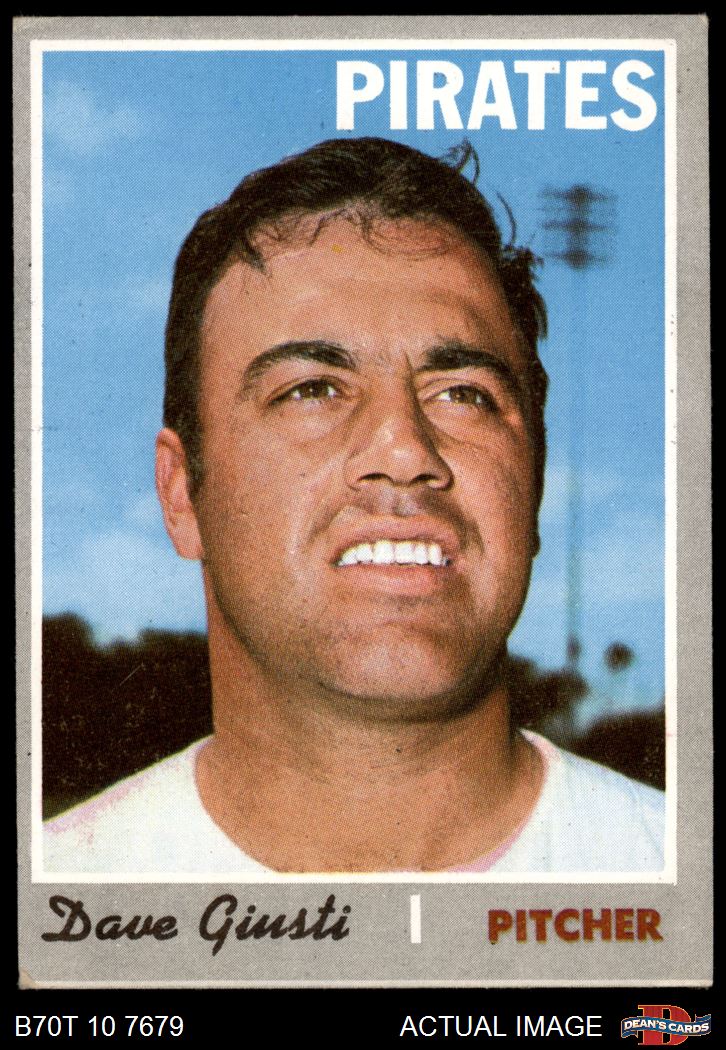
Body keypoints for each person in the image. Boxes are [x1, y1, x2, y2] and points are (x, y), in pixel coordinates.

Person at [44, 137, 664, 874]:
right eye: (312, 389)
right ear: (181, 493)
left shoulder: (677, 871)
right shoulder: (59, 894)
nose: (403, 450)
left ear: (531, 481)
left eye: (463, 394)